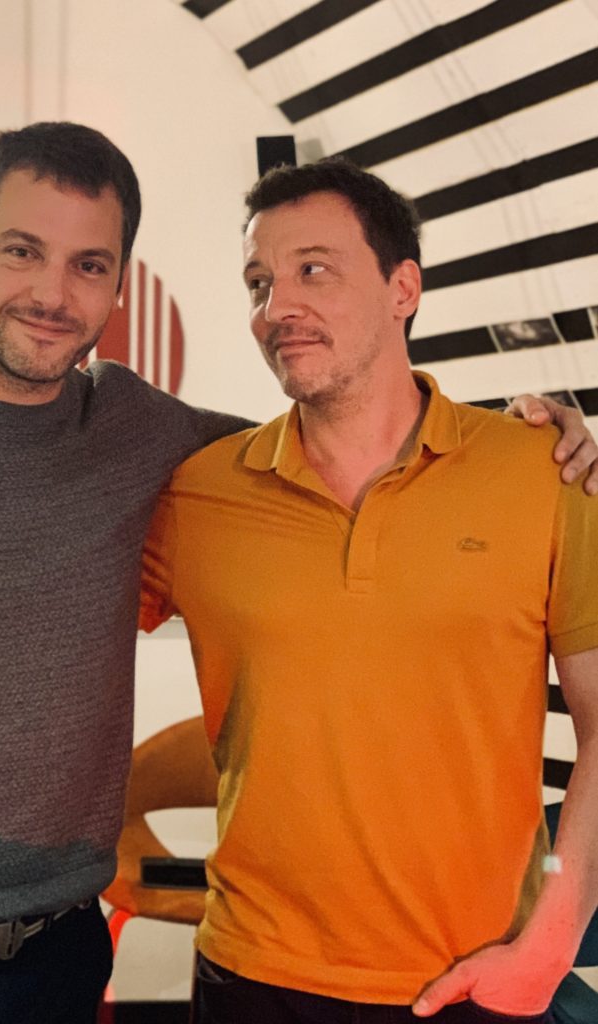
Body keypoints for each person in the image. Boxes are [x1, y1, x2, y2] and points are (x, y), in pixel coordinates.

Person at [0, 123, 593, 1024]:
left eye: (88, 264)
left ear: (119, 285)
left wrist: (523, 440)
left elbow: (338, 435)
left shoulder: (152, 439)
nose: (51, 292)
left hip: (62, 954)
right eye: (22, 250)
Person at [140, 157, 598, 1024]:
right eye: (258, 283)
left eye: (312, 269)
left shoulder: (542, 472)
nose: (276, 307)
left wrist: (548, 946)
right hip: (250, 977)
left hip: (470, 982)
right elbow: (44, 624)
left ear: (402, 288)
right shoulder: (198, 494)